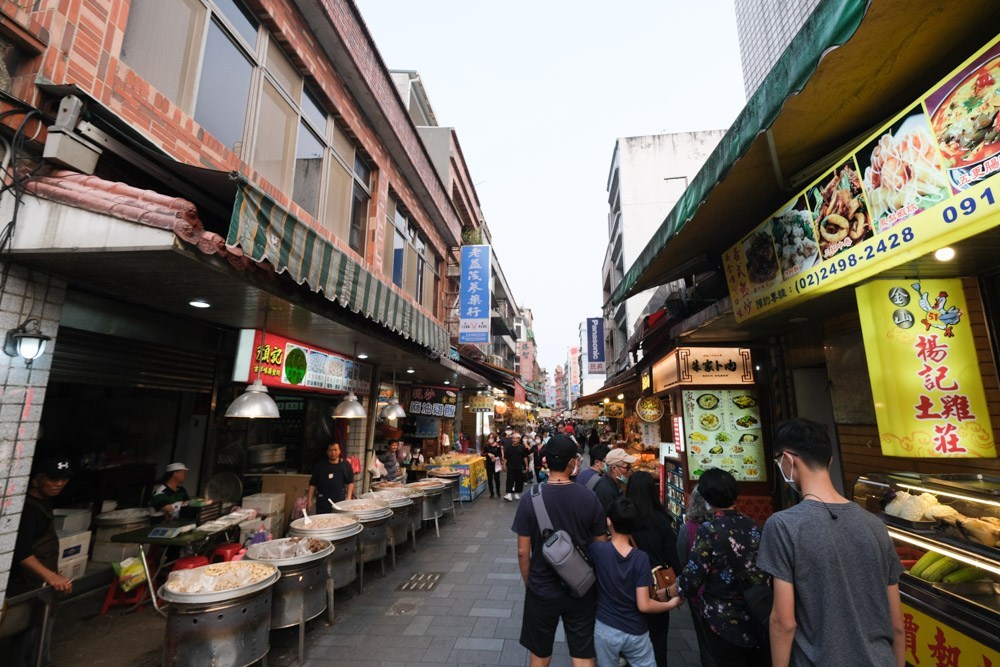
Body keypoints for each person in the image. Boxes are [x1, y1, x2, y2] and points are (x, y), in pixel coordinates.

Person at [757, 418, 905, 667]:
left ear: (787, 460)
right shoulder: (875, 526)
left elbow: (784, 622)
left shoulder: (783, 525)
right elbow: (897, 624)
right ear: (830, 460)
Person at [511, 434, 607, 667]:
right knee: (583, 654)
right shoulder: (589, 497)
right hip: (581, 588)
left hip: (542, 588)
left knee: (540, 654)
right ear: (572, 463)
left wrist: (530, 582)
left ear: (546, 462)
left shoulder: (529, 498)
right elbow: (600, 545)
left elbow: (523, 552)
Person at [675, 469, 769, 666]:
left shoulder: (709, 530)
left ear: (707, 497)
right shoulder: (754, 526)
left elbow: (692, 577)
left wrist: (668, 592)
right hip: (756, 613)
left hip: (722, 619)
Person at [590, 497, 683, 667]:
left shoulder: (598, 550)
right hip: (635, 630)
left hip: (605, 629)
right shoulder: (641, 559)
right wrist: (671, 603)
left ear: (608, 521)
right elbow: (644, 605)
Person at [10, 456, 75, 667]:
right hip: (28, 588)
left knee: (38, 642)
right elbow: (20, 552)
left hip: (41, 587)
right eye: (53, 479)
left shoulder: (43, 504)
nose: (59, 484)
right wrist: (50, 576)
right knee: (30, 645)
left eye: (64, 479)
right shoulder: (28, 509)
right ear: (36, 479)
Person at [627, 471, 682, 667]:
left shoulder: (624, 519)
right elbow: (673, 559)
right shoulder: (661, 521)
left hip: (628, 585)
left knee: (630, 639)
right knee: (658, 641)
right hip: (656, 588)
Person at [676, 488, 718, 667]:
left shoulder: (688, 529)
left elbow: (682, 561)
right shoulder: (728, 527)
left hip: (698, 595)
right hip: (729, 596)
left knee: (705, 644)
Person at [308, 442, 355, 513]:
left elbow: (350, 482)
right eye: (330, 450)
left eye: (335, 450)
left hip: (339, 501)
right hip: (323, 502)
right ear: (327, 452)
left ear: (339, 451)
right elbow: (313, 484)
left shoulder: (345, 465)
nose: (333, 452)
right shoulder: (320, 466)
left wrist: (348, 499)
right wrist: (309, 500)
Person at [591, 448, 636, 514]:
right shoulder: (606, 490)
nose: (630, 471)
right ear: (614, 468)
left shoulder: (612, 483)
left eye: (630, 467)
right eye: (627, 467)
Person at [503, 432, 527, 501]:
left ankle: (517, 493)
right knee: (510, 480)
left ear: (519, 440)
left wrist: (527, 466)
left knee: (519, 481)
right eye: (513, 438)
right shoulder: (508, 448)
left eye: (516, 438)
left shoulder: (521, 447)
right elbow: (506, 458)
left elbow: (525, 457)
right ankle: (509, 494)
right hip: (510, 467)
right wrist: (504, 465)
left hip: (519, 467)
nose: (515, 440)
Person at [482, 433, 503, 499]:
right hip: (488, 464)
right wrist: (488, 454)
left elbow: (500, 455)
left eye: (492, 438)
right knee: (490, 479)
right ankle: (492, 493)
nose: (490, 439)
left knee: (497, 479)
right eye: (489, 438)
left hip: (496, 464)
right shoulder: (486, 446)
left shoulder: (498, 446)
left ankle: (498, 492)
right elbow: (482, 454)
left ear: (494, 438)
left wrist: (496, 458)